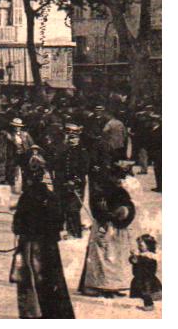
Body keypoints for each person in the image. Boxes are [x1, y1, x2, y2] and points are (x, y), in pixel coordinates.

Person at [11, 155, 74, 318]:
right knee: (52, 279)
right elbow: (59, 221)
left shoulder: (26, 197)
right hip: (49, 246)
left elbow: (17, 225)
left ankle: (33, 313)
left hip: (29, 245)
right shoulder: (51, 196)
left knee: (29, 280)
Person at [78, 163, 136, 297]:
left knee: (115, 258)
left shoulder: (122, 192)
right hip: (104, 227)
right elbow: (97, 208)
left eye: (120, 179)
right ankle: (99, 286)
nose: (118, 181)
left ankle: (113, 286)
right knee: (101, 257)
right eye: (116, 178)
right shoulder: (101, 192)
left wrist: (125, 213)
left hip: (117, 228)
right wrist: (107, 215)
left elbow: (129, 207)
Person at [52, 123, 89, 238]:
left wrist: (75, 181)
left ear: (78, 138)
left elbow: (84, 169)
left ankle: (76, 234)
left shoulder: (82, 152)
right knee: (63, 207)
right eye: (70, 137)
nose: (72, 140)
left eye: (74, 138)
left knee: (73, 209)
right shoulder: (65, 151)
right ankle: (66, 232)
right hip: (64, 185)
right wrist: (61, 181)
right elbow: (59, 167)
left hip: (76, 186)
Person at [129, 234, 161, 312]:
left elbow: (143, 263)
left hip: (147, 278)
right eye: (138, 245)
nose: (139, 247)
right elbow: (133, 261)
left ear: (148, 245)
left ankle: (149, 305)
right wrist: (133, 257)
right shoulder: (141, 255)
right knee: (142, 292)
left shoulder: (149, 256)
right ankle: (148, 304)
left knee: (146, 291)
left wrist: (136, 258)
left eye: (141, 245)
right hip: (140, 277)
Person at [4, 118, 34, 193]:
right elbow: (7, 146)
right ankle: (13, 188)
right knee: (11, 170)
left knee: (26, 171)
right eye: (15, 126)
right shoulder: (9, 135)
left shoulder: (25, 134)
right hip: (14, 155)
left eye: (18, 126)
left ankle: (25, 188)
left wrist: (31, 153)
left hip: (24, 155)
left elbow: (31, 144)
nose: (17, 128)